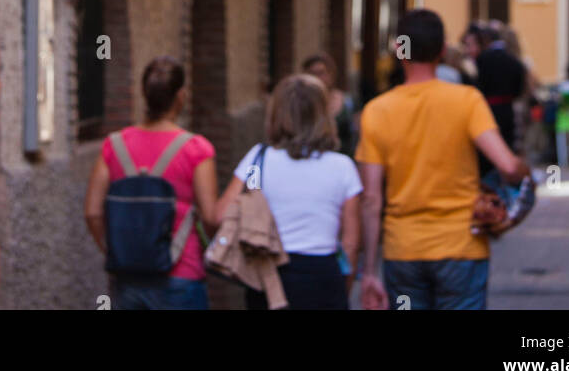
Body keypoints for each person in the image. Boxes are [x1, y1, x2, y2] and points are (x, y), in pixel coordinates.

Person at [357, 9, 530, 311]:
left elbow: (371, 199)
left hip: (403, 251)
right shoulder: (466, 101)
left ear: (400, 49)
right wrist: (525, 169)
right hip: (461, 247)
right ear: (442, 50)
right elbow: (508, 166)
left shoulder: (377, 111)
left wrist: (369, 271)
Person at [216, 74, 362, 310]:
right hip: (323, 276)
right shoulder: (342, 167)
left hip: (269, 274)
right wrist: (342, 288)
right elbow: (351, 243)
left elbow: (221, 214)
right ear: (323, 116)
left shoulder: (258, 161)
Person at [84, 56, 217, 310]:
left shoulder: (114, 145)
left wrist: (115, 251)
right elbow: (210, 217)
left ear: (145, 95)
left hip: (128, 277)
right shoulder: (196, 149)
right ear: (181, 96)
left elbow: (92, 212)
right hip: (181, 272)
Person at [473, 20, 527, 151]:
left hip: (488, 107)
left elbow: (479, 83)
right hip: (507, 108)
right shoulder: (514, 60)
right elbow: (519, 88)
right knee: (507, 143)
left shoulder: (483, 58)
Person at [302, 52, 357, 155]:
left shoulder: (348, 102)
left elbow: (358, 137)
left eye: (321, 73)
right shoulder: (301, 104)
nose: (317, 78)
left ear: (331, 74)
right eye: (312, 73)